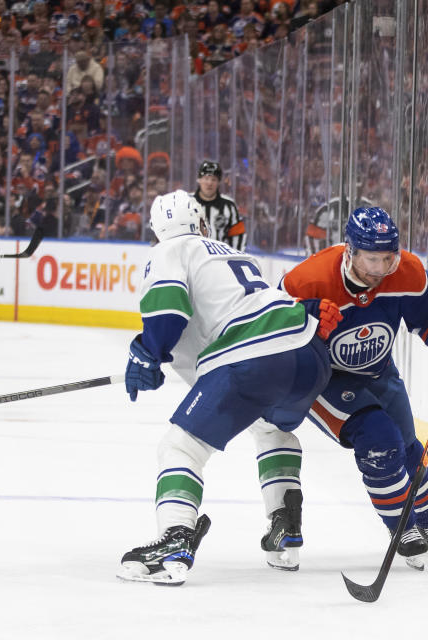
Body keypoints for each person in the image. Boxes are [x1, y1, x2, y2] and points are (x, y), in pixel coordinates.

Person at [117, 189, 341, 585]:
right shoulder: (231, 253)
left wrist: (146, 354)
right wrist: (154, 356)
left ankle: (175, 536)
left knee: (180, 446)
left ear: (156, 232)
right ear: (202, 222)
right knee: (271, 429)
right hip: (307, 354)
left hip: (251, 356)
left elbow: (168, 311)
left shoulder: (168, 251)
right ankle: (285, 531)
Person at [282, 206, 428, 566]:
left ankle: (427, 522)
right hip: (325, 378)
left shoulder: (405, 272)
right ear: (350, 251)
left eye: (387, 259)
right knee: (379, 442)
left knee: (407, 448)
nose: (379, 270)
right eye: (371, 259)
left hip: (379, 370)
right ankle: (401, 526)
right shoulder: (309, 279)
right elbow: (270, 323)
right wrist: (300, 318)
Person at [193, 160, 246, 251]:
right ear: (199, 180)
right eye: (206, 178)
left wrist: (236, 259)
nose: (209, 183)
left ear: (219, 182)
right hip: (192, 261)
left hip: (220, 261)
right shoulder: (187, 203)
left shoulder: (229, 206)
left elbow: (238, 235)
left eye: (213, 179)